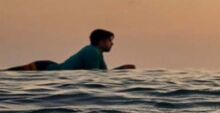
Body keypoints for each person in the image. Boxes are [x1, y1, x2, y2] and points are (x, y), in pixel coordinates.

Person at [5, 29, 136, 71]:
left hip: (48, 67)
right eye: (109, 40)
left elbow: (102, 74)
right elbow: (94, 74)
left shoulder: (97, 53)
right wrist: (121, 69)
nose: (112, 44)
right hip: (43, 68)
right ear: (101, 41)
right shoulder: (92, 51)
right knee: (6, 75)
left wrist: (121, 69)